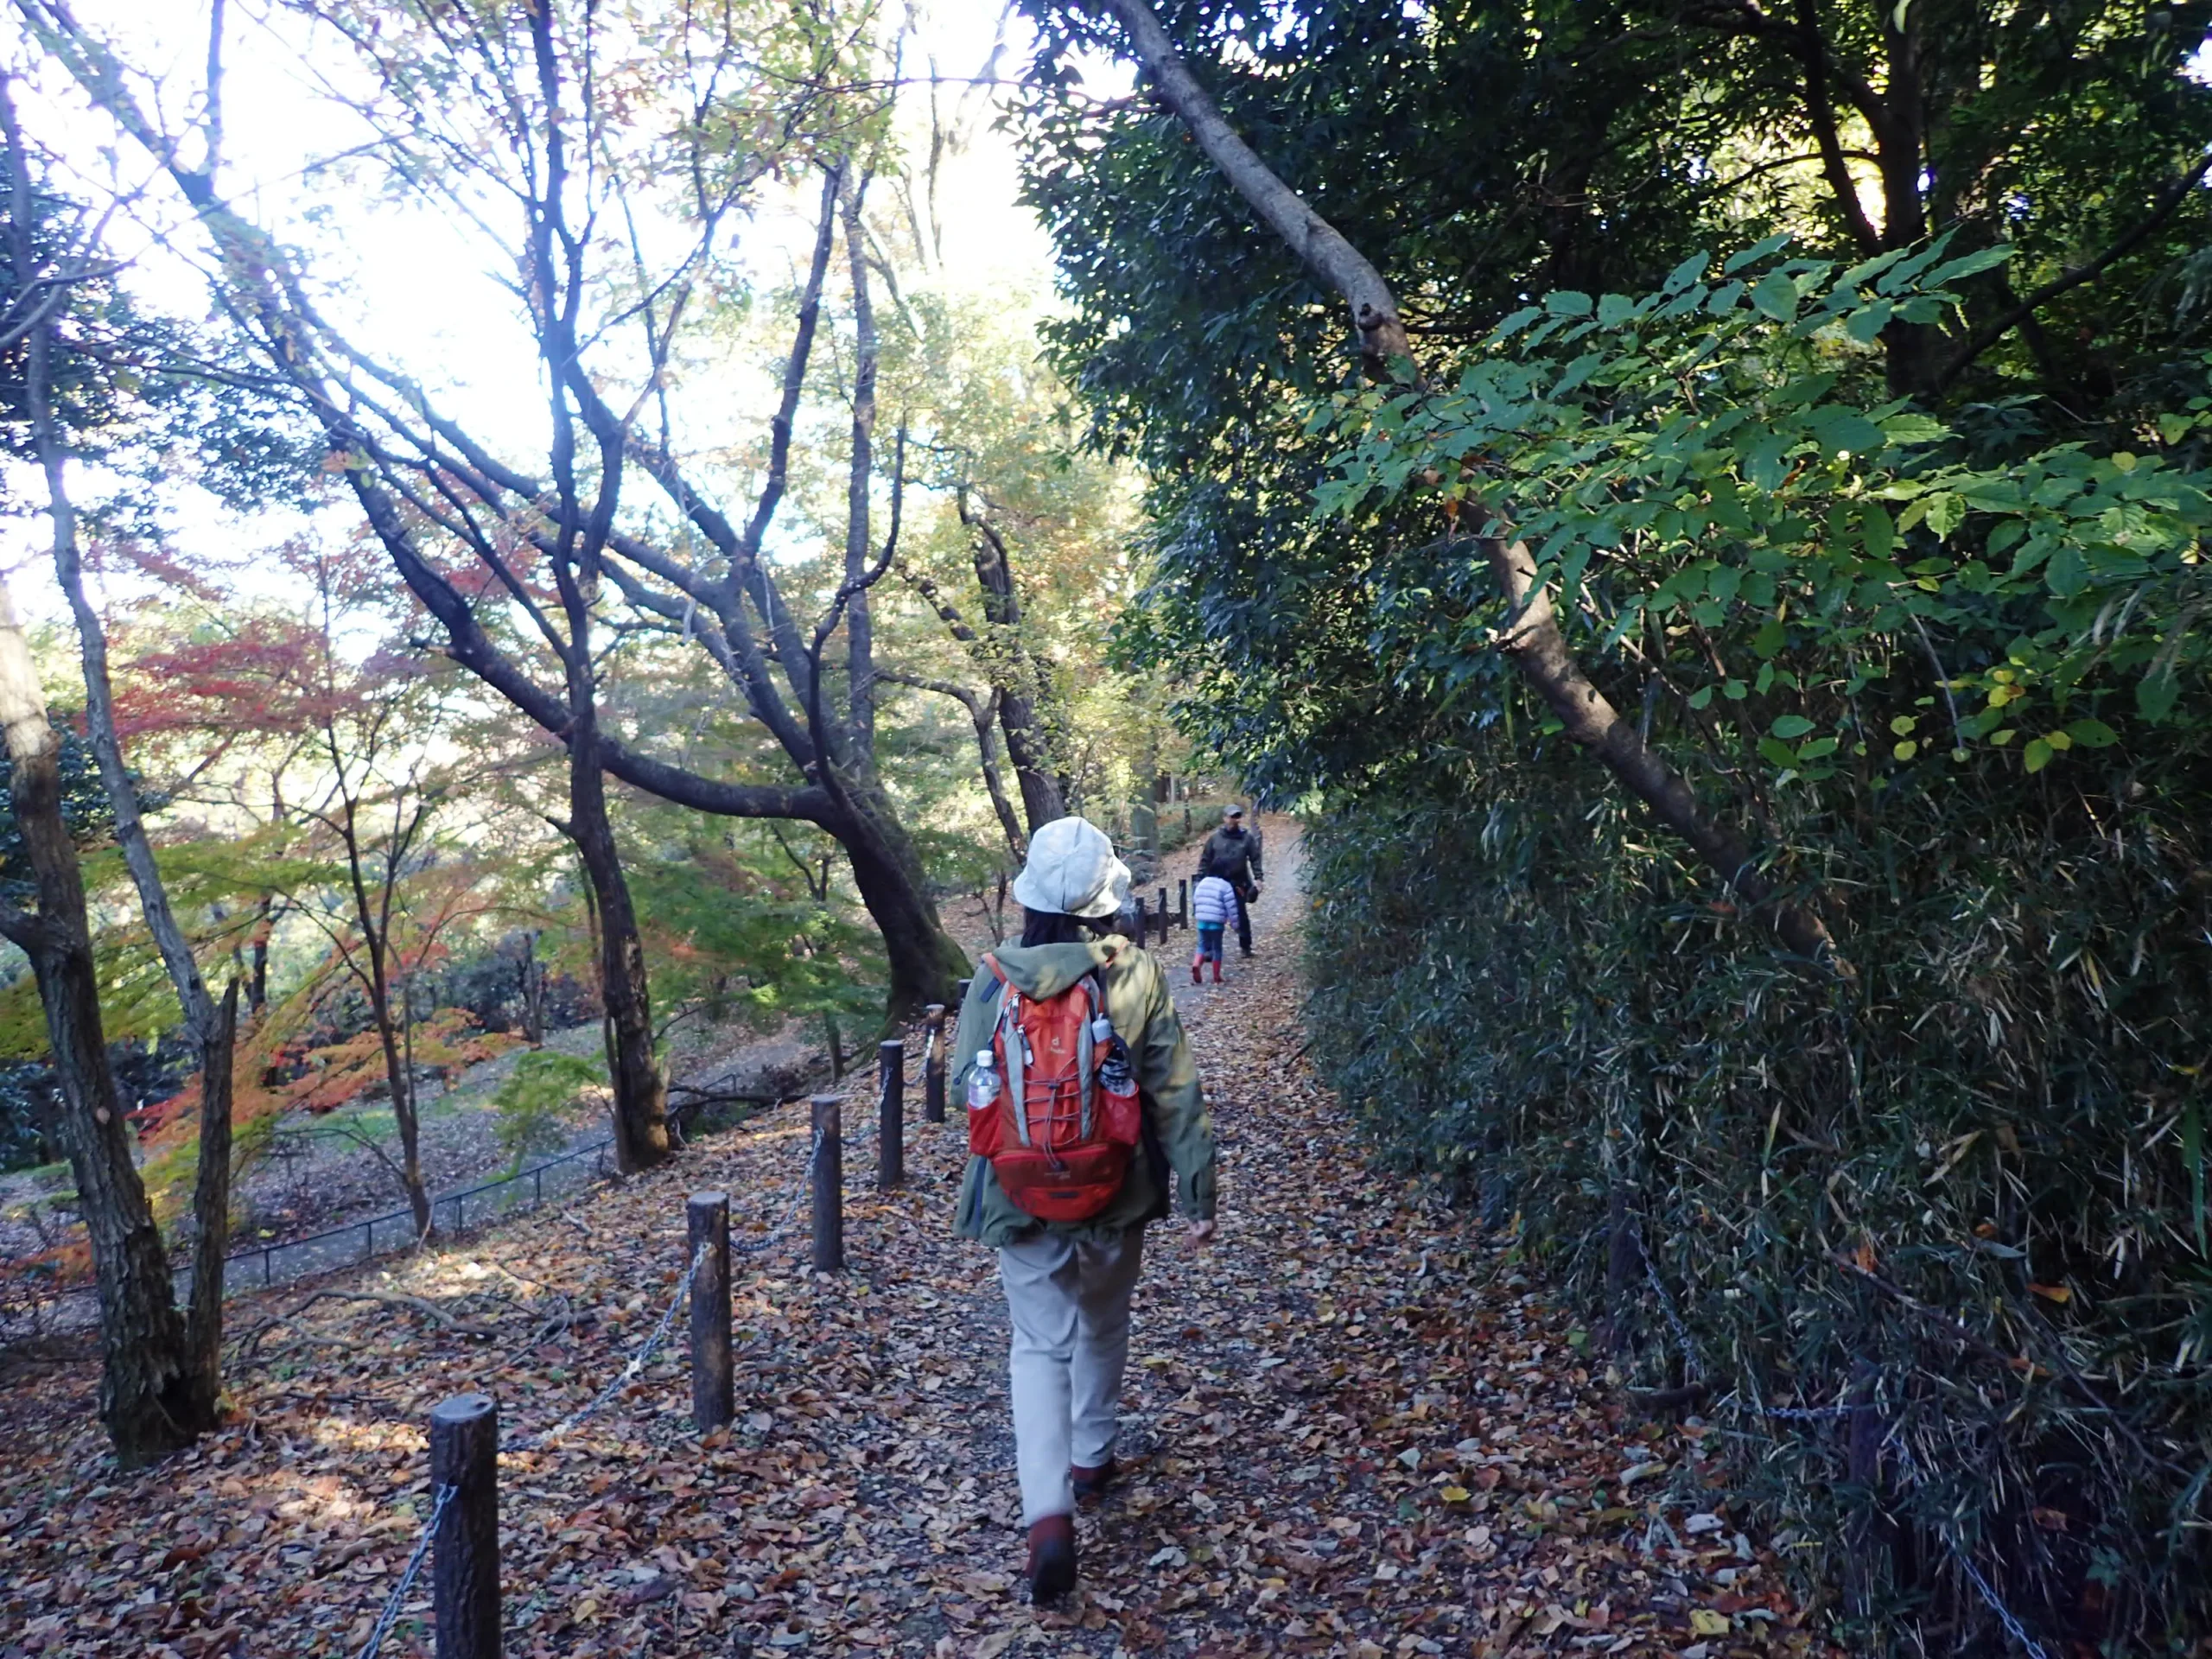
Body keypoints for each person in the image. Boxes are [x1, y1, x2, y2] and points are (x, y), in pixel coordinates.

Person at [950, 816, 1217, 1605]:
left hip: (1020, 1192)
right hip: (1117, 1187)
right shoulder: (1132, 971)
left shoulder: (994, 975)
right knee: (1103, 1319)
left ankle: (1048, 1516)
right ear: (1107, 898)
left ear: (1031, 896)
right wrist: (1198, 1189)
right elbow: (1172, 1086)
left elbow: (971, 1083)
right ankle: (1093, 1455)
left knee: (1038, 1346)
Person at [1196, 804, 1263, 957]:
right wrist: (1200, 880)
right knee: (1212, 916)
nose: (1234, 820)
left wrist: (1259, 878)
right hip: (1216, 881)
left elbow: (1255, 859)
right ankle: (1209, 950)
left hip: (1238, 882)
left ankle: (1245, 947)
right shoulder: (1215, 838)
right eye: (1232, 816)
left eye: (1237, 816)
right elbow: (1205, 859)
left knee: (1240, 915)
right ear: (1224, 818)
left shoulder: (1247, 838)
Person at [1189, 870, 1241, 983]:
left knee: (1201, 945)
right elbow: (1231, 908)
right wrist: (1235, 925)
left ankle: (1196, 964)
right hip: (1216, 923)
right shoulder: (1225, 886)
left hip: (1202, 921)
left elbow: (1195, 899)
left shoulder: (1202, 883)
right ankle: (1216, 976)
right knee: (1217, 949)